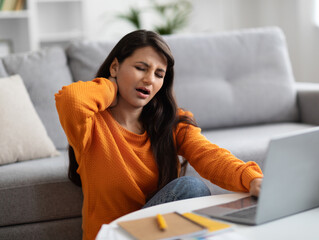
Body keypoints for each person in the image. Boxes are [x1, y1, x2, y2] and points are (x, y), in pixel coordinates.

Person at [55, 30, 263, 240]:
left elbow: (209, 155)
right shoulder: (91, 124)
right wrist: (110, 87)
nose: (149, 80)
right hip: (114, 236)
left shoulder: (170, 122)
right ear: (115, 67)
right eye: (140, 68)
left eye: (159, 74)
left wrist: (251, 179)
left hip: (160, 233)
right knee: (190, 188)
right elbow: (71, 99)